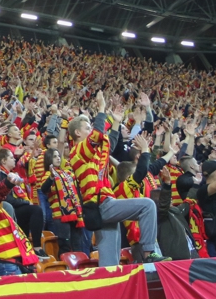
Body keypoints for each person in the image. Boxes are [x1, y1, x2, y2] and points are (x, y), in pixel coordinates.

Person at [67, 91, 168, 265]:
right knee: (148, 206)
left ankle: (109, 281)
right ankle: (149, 252)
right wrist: (101, 108)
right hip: (102, 204)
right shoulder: (77, 151)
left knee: (110, 263)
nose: (91, 130)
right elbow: (97, 135)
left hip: (100, 207)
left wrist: (115, 122)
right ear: (77, 133)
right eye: (87, 128)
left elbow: (109, 145)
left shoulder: (91, 154)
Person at [40, 147, 84, 255]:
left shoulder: (67, 173)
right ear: (49, 159)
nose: (58, 158)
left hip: (75, 214)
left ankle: (78, 265)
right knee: (65, 245)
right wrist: (51, 176)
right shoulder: (47, 175)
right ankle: (66, 265)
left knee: (77, 245)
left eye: (59, 156)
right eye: (55, 156)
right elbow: (44, 189)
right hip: (60, 215)